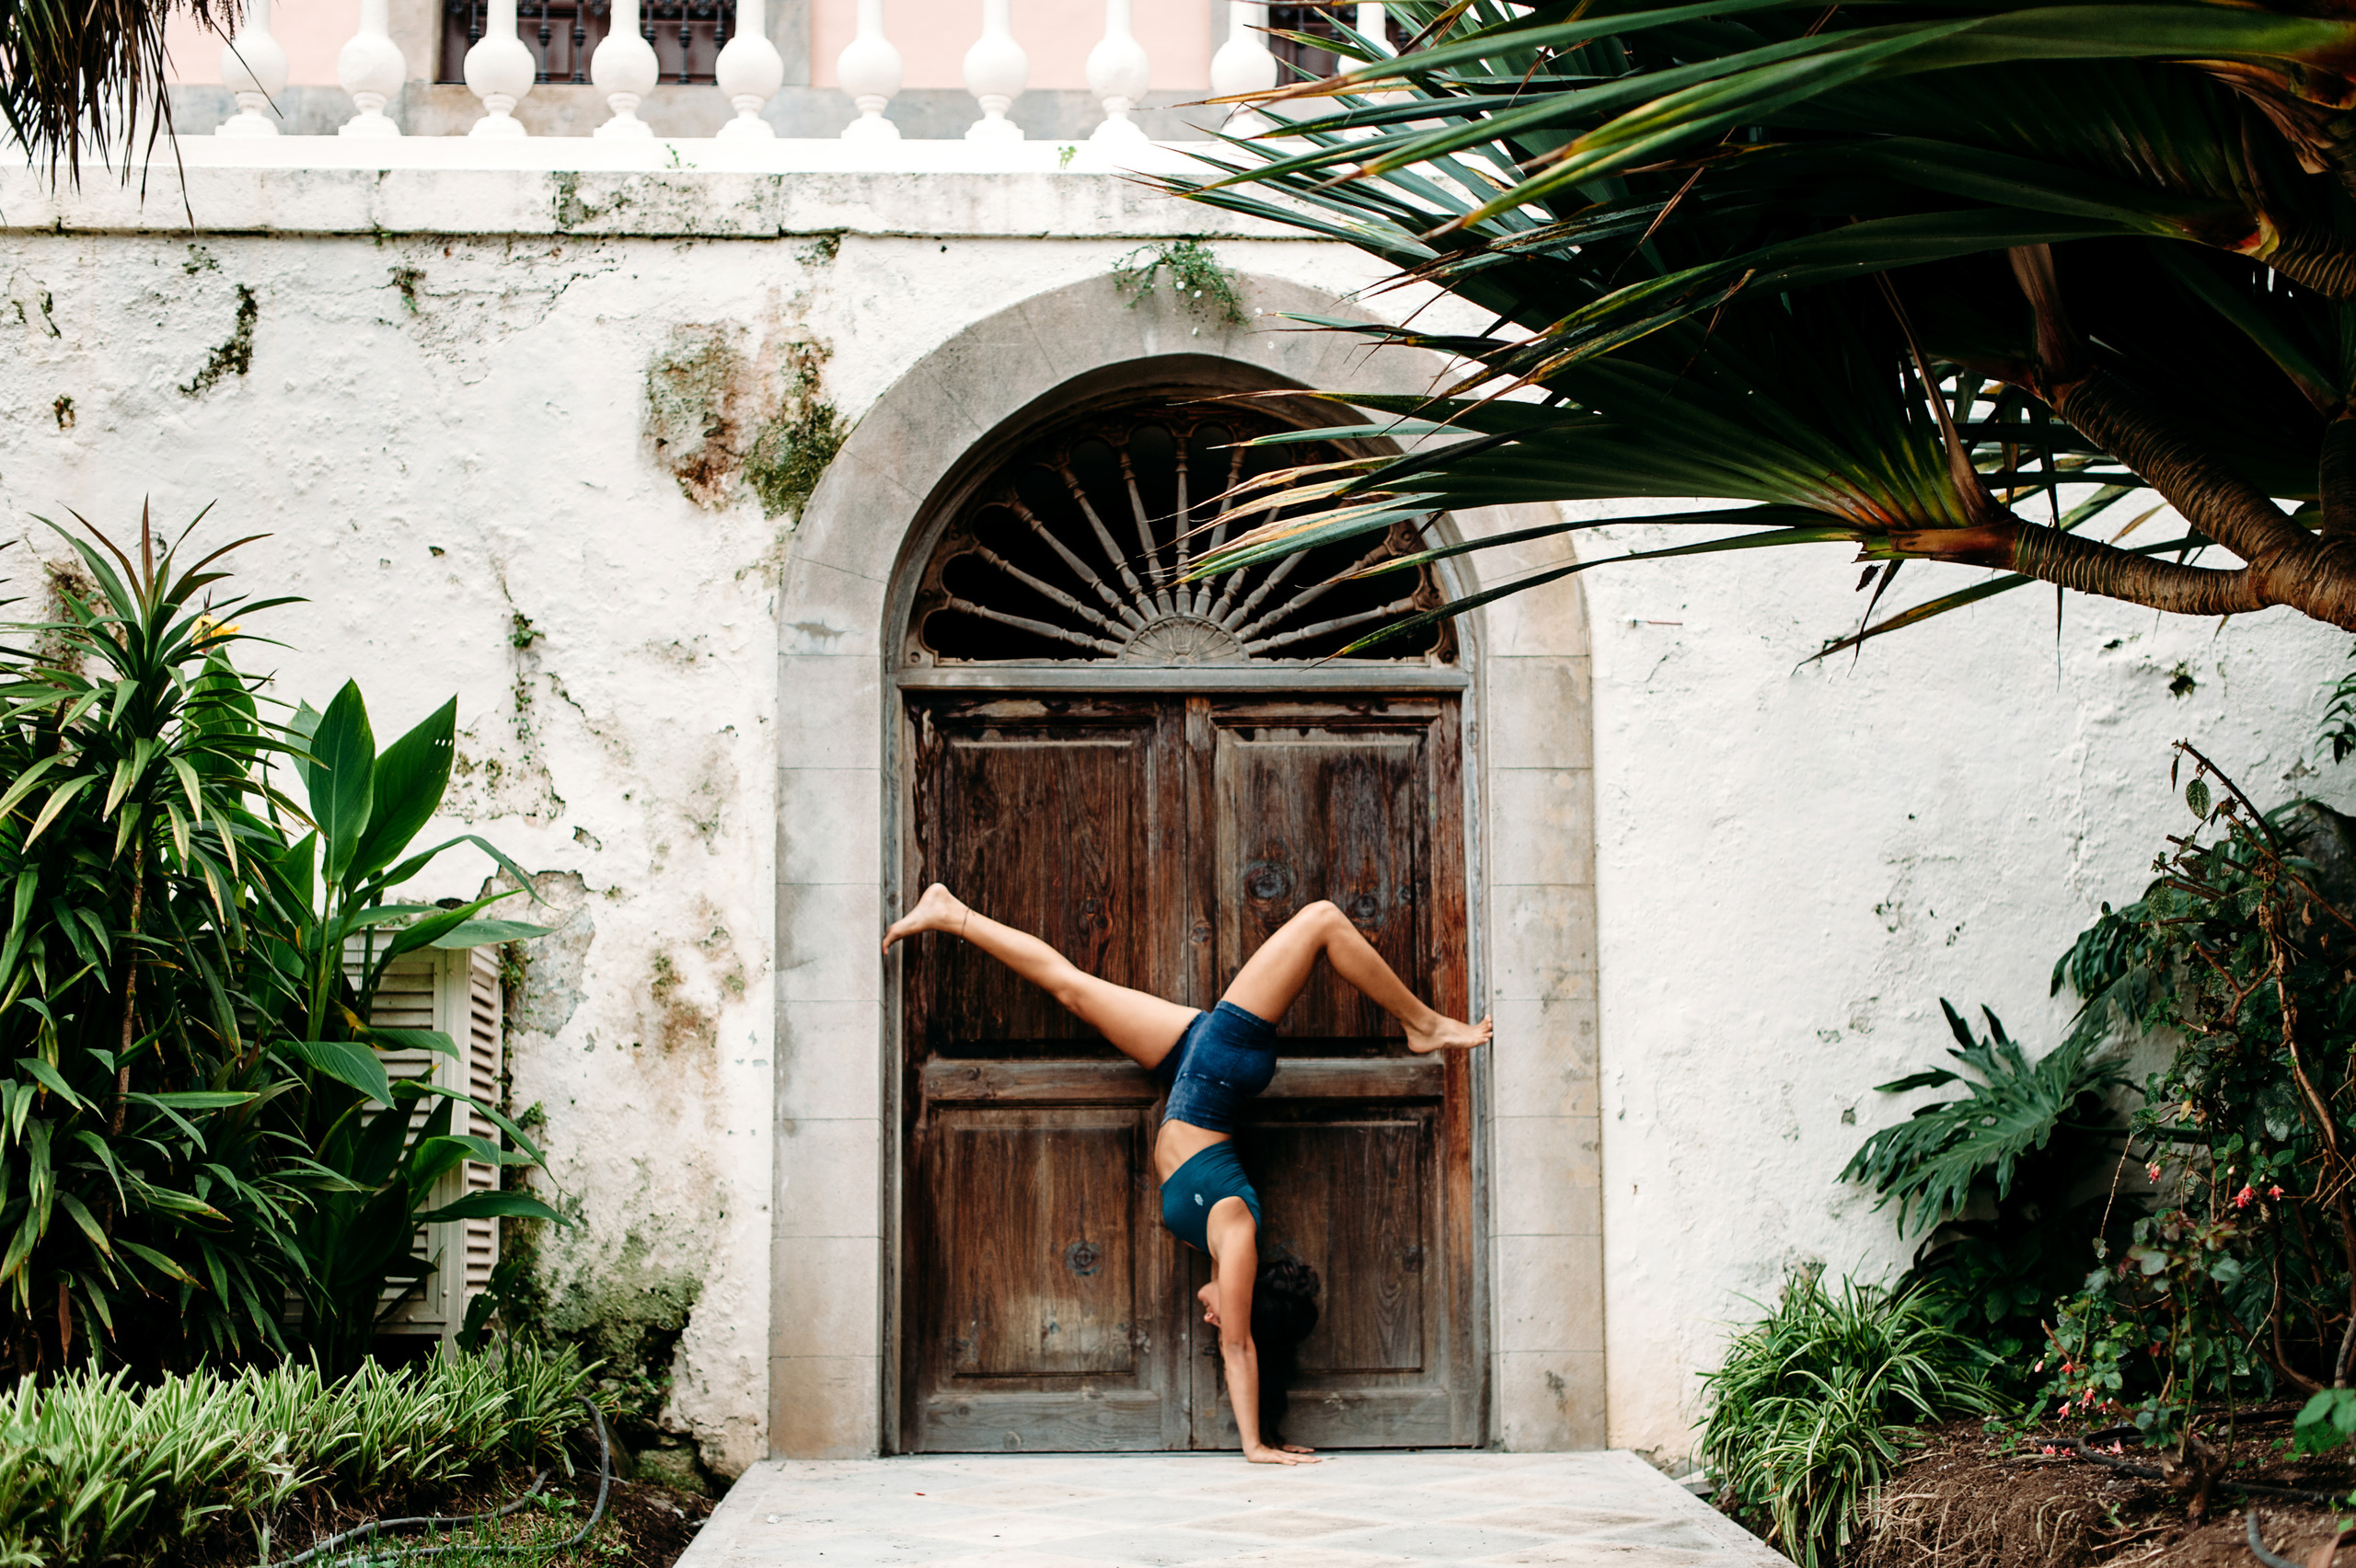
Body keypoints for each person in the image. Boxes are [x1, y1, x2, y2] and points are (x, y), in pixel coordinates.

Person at [883, 883, 1491, 1466]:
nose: (1210, 1319)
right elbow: (1239, 1348)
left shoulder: (1223, 1249)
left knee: (1070, 987)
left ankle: (952, 914)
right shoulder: (1237, 1238)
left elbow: (1242, 1341)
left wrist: (1269, 1429)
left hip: (1187, 1067)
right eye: (1223, 1314)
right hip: (1219, 1068)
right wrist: (1254, 1446)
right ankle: (1425, 1025)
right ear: (1244, 1304)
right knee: (1323, 920)